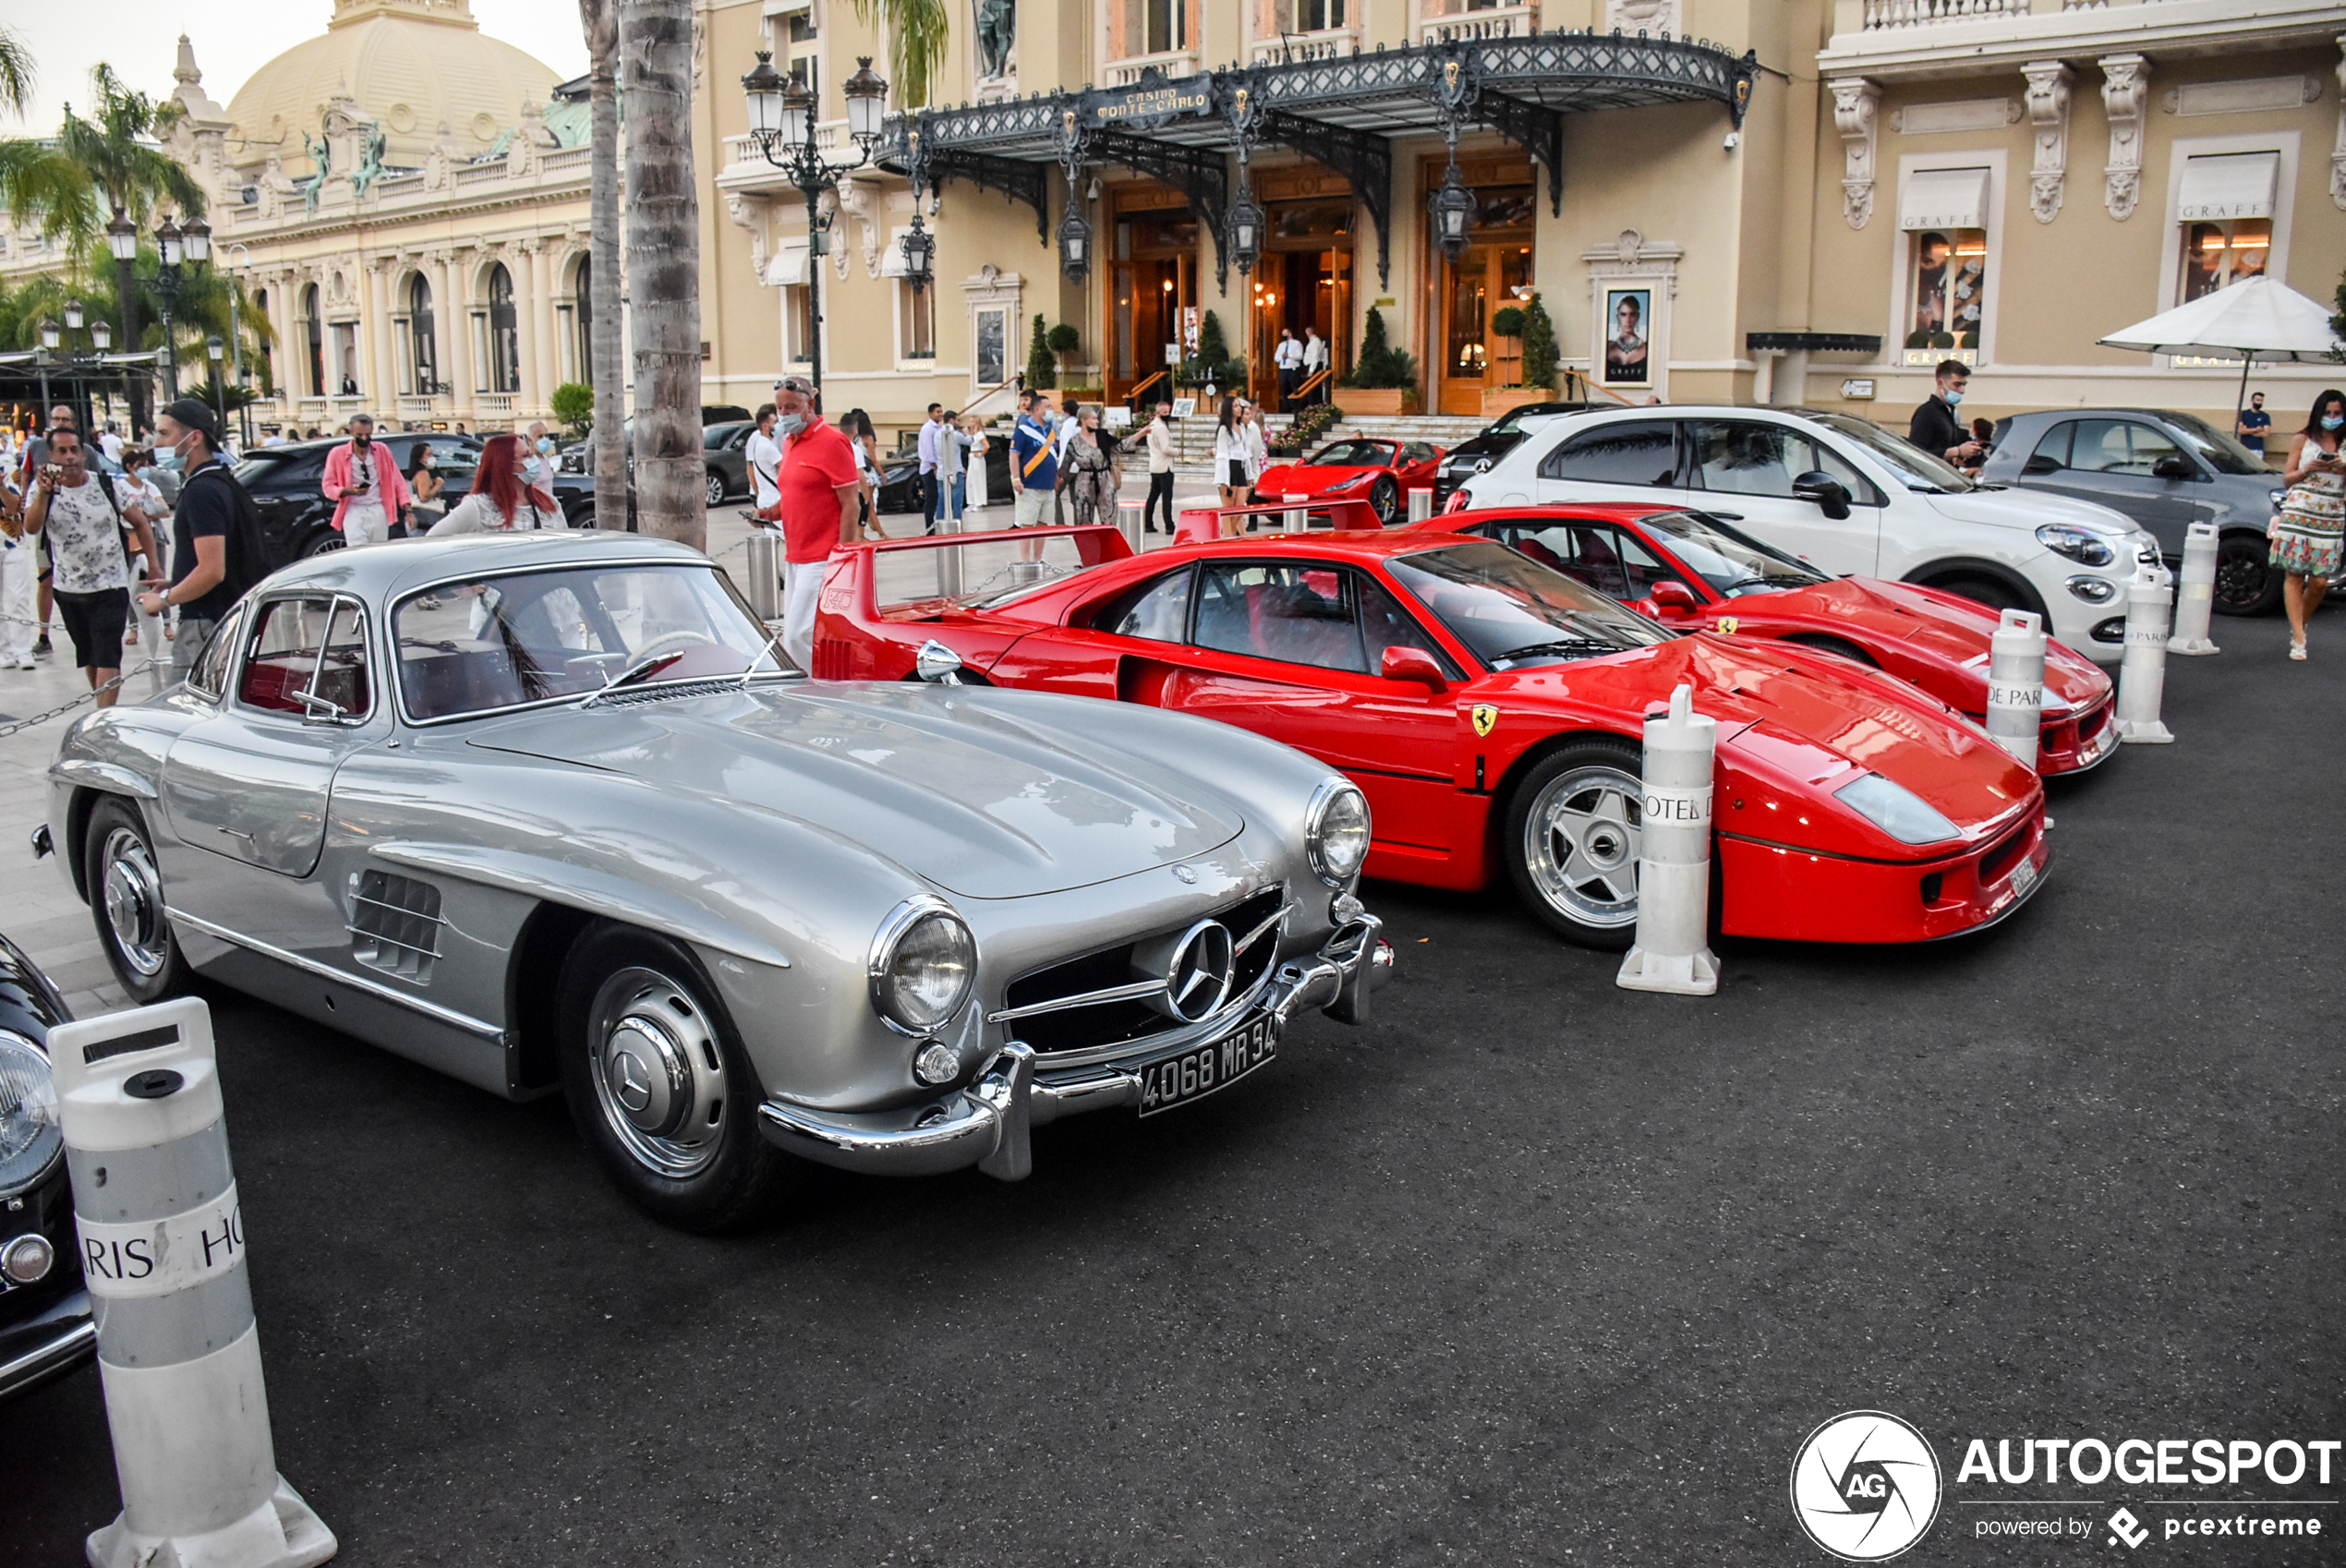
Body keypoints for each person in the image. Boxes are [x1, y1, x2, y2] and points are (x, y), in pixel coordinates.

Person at [23, 425, 156, 707]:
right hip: (69, 587)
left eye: (74, 450)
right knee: (90, 656)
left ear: (83, 454)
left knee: (108, 651)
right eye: (62, 451)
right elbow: (31, 527)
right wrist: (45, 494)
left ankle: (103, 716)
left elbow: (141, 521)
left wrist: (153, 565)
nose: (69, 457)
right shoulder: (42, 489)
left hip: (110, 584)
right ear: (51, 456)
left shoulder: (106, 484)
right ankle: (102, 707)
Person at [137, 401, 264, 672]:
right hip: (223, 616)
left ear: (195, 437)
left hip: (204, 623)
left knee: (187, 708)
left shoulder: (201, 491)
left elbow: (212, 570)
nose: (156, 443)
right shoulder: (219, 481)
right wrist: (179, 580)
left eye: (164, 433)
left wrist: (164, 599)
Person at [772, 374, 859, 671]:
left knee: (799, 635)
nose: (784, 414)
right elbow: (796, 491)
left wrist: (843, 556)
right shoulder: (789, 442)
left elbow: (851, 503)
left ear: (810, 404)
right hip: (796, 554)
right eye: (780, 408)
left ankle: (816, 691)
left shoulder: (833, 442)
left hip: (823, 557)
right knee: (793, 637)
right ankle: (805, 690)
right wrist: (771, 513)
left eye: (791, 407)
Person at [2270, 389, 2346, 661]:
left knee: (2320, 581)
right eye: (2328, 413)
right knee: (2294, 575)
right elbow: (2288, 479)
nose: (2333, 418)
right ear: (2318, 413)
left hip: (2331, 517)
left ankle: (2299, 624)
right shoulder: (2302, 439)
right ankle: (2299, 638)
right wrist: (2308, 469)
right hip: (2299, 512)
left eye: (2338, 413)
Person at [429, 433, 567, 534]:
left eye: (531, 454)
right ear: (506, 465)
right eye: (526, 456)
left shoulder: (549, 503)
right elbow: (434, 539)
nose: (533, 460)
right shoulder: (478, 507)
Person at [321, 414, 413, 547]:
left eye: (367, 435)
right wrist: (348, 491)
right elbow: (328, 486)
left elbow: (398, 480)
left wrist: (408, 510)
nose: (364, 439)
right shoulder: (337, 454)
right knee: (357, 552)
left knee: (378, 552)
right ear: (351, 432)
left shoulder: (382, 450)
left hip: (378, 509)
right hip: (353, 509)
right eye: (359, 435)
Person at [117, 446, 171, 647]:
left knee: (159, 578)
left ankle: (166, 623)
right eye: (140, 466)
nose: (145, 469)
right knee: (133, 583)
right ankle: (133, 627)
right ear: (130, 467)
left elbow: (164, 509)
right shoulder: (120, 487)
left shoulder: (150, 486)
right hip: (130, 539)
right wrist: (145, 513)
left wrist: (141, 513)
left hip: (154, 537)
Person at [1908, 359, 1980, 467]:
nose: (1962, 390)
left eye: (1964, 384)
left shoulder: (1951, 412)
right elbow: (1915, 453)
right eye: (1957, 384)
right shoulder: (1926, 413)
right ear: (1940, 382)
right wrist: (1956, 452)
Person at [1009, 391, 1059, 532]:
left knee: (1043, 525)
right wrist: (1016, 479)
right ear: (1037, 409)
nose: (1051, 410)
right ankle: (1025, 555)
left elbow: (1053, 455)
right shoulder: (1023, 431)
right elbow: (1014, 455)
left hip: (1047, 485)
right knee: (1027, 524)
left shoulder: (1051, 431)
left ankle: (1038, 555)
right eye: (1047, 407)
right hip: (1029, 485)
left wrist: (1055, 477)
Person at [1062, 404, 1120, 528]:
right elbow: (1065, 465)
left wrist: (1140, 434)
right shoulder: (1075, 441)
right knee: (1084, 520)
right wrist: (1056, 482)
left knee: (1109, 519)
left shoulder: (1102, 436)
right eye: (1093, 418)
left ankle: (1107, 546)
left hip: (1105, 480)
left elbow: (1121, 446)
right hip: (1084, 482)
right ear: (1084, 420)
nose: (1097, 421)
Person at [0, 455, 31, 669]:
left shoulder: (8, 465)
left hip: (12, 542)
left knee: (19, 596)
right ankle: (4, 650)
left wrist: (1, 486)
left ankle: (23, 650)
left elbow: (14, 507)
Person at [841, 407, 888, 541]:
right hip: (867, 473)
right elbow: (873, 459)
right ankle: (879, 533)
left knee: (861, 505)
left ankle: (865, 532)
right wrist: (882, 474)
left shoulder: (855, 440)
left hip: (853, 475)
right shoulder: (868, 439)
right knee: (868, 505)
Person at [1213, 395, 1250, 535]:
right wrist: (1224, 479)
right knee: (1229, 508)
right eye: (1235, 406)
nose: (1239, 408)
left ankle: (1232, 534)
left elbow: (1245, 452)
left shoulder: (1241, 427)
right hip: (1229, 467)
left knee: (1240, 506)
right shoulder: (1224, 429)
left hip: (1240, 467)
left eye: (1239, 405)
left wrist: (1249, 473)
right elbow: (1222, 455)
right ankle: (1228, 536)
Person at [745, 403, 784, 522]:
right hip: (773, 499)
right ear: (766, 426)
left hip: (767, 498)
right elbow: (786, 467)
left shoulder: (763, 442)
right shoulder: (766, 446)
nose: (779, 425)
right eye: (776, 422)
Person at [1143, 400, 1177, 533]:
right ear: (1157, 413)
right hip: (1165, 466)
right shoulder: (1161, 428)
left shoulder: (1152, 426)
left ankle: (1148, 522)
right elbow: (1166, 448)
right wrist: (1178, 452)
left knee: (1153, 495)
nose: (1167, 414)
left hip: (1155, 465)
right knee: (1166, 497)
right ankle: (1169, 525)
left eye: (1168, 411)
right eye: (1164, 412)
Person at [916, 403, 946, 535]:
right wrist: (935, 467)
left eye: (941, 411)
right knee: (931, 497)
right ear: (930, 413)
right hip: (929, 468)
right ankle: (929, 525)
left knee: (937, 497)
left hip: (937, 467)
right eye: (937, 412)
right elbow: (928, 451)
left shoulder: (938, 428)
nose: (940, 414)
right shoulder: (928, 429)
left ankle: (935, 523)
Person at [405, 443, 448, 528]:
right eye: (428, 455)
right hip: (424, 521)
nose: (432, 458)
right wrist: (437, 485)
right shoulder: (423, 474)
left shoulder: (414, 474)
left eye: (432, 454)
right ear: (420, 458)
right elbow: (424, 496)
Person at [1275, 328, 1303, 408]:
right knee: (1284, 388)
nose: (1284, 336)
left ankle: (1296, 407)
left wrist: (1289, 356)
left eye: (1285, 334)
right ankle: (1286, 407)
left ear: (1290, 334)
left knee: (1294, 388)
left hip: (1293, 369)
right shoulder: (1281, 345)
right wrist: (1282, 357)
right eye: (1283, 334)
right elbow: (1276, 358)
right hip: (1283, 369)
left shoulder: (1297, 344)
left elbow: (1300, 356)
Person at [2238, 392, 2271, 459]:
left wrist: (2248, 431)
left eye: (2261, 400)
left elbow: (2266, 433)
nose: (2259, 403)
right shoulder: (2244, 414)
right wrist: (2256, 430)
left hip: (2258, 449)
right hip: (2245, 448)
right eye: (2258, 400)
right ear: (2252, 401)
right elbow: (2241, 430)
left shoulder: (2265, 416)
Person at [525, 421, 557, 489]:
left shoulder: (545, 458)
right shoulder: (528, 462)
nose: (545, 439)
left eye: (546, 436)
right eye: (540, 436)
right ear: (529, 439)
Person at [1301, 326, 1329, 403]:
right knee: (1313, 388)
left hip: (1314, 367)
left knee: (1313, 388)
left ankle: (1314, 404)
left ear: (1309, 332)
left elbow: (1315, 357)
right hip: (1311, 366)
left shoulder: (1315, 342)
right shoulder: (1312, 341)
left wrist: (1311, 370)